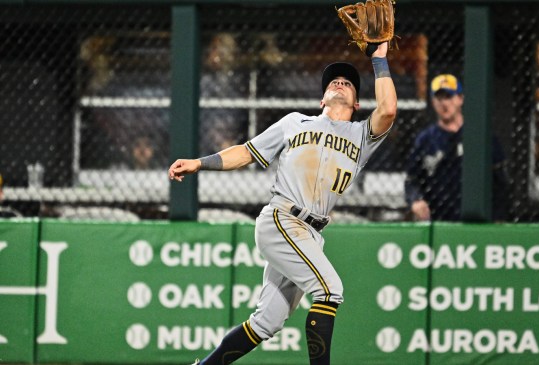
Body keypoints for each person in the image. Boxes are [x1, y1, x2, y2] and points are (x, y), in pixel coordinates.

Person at [168, 42, 396, 365]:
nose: (340, 83)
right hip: (282, 219)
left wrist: (379, 60)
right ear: (322, 98)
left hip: (311, 233)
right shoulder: (295, 123)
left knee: (267, 322)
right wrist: (199, 163)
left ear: (357, 102)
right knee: (329, 290)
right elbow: (247, 151)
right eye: (333, 81)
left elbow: (387, 110)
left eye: (347, 82)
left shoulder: (361, 136)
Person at [404, 74, 508, 221]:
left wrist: (499, 216)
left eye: (449, 97)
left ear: (460, 99)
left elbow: (500, 180)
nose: (444, 103)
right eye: (439, 98)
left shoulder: (480, 136)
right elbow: (411, 180)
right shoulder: (425, 140)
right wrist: (415, 200)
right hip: (437, 218)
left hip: (476, 220)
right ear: (433, 101)